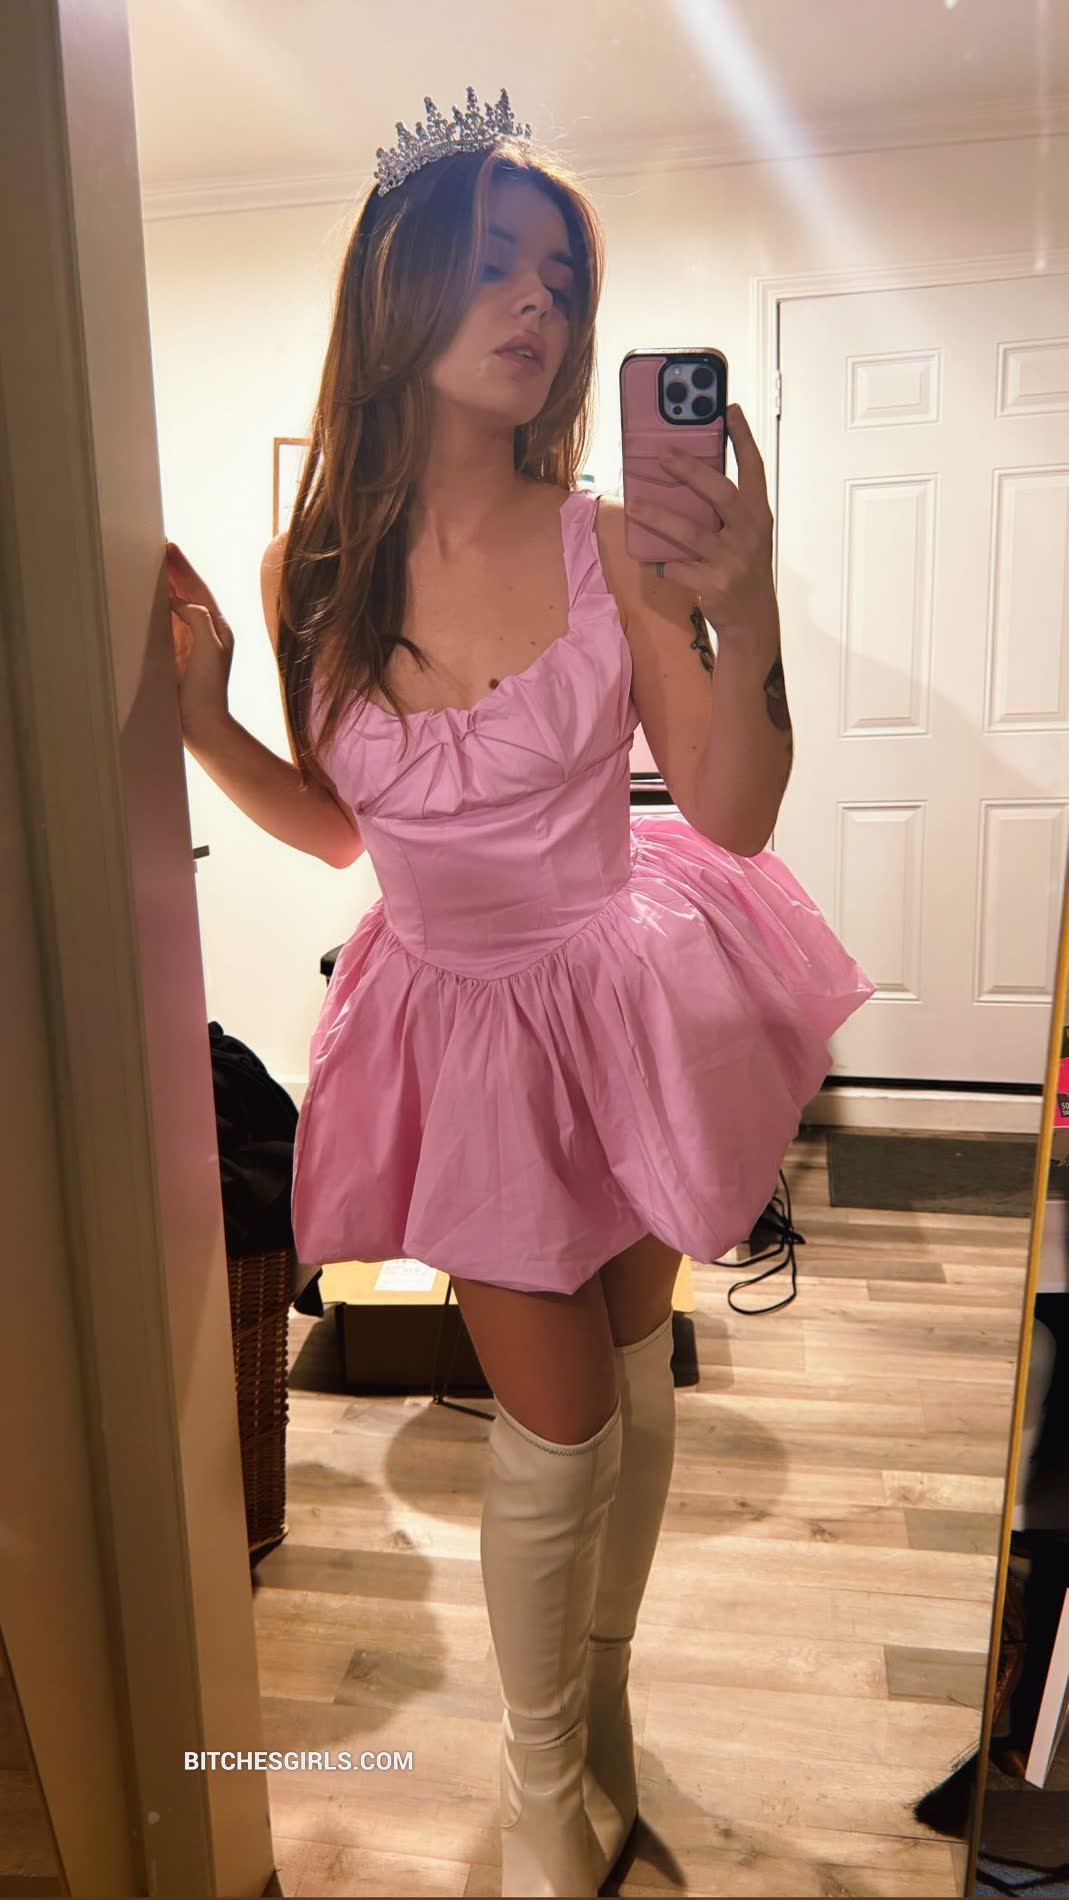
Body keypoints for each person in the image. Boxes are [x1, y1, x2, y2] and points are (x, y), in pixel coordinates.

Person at [167, 86, 875, 1898]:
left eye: (559, 275)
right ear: (394, 288)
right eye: (493, 262)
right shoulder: (310, 566)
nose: (537, 304)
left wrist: (747, 607)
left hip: (618, 984)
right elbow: (347, 829)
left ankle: (604, 1699)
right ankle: (538, 1784)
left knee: (630, 1380)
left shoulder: (605, 540)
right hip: (455, 1017)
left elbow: (729, 810)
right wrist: (205, 728)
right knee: (554, 1428)